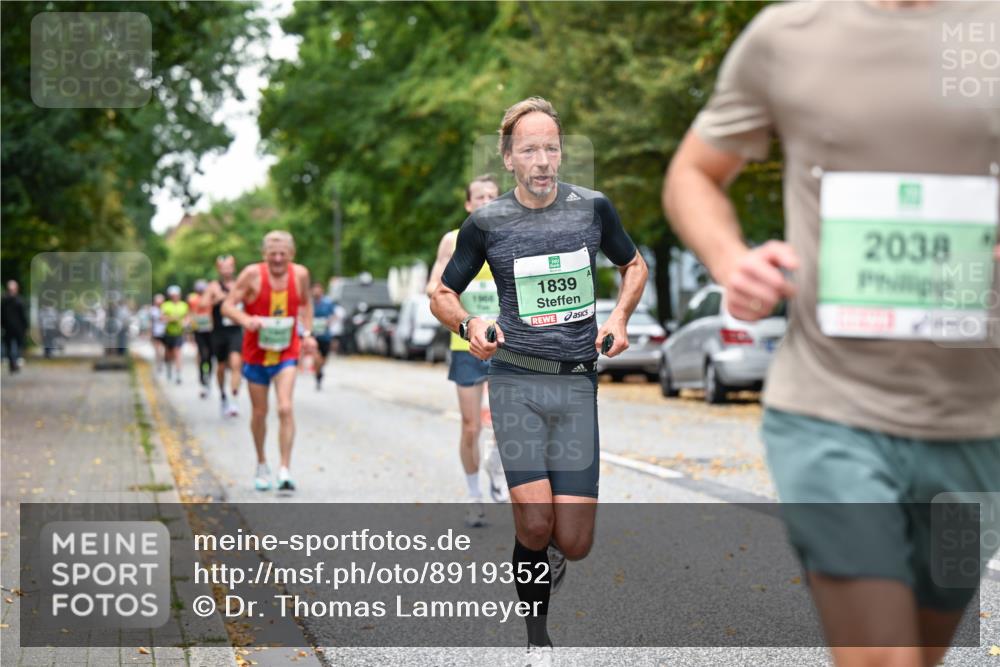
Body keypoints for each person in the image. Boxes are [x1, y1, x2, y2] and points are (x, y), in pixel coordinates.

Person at [663, 2, 1000, 665]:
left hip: (976, 425)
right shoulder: (789, 36)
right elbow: (692, 174)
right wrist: (733, 261)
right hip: (827, 410)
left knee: (924, 647)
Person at [431, 97, 647, 665]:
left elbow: (634, 264)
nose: (543, 160)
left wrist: (619, 318)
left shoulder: (592, 208)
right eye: (529, 150)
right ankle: (538, 640)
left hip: (576, 385)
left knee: (573, 540)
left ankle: (548, 552)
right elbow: (442, 294)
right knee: (533, 520)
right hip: (515, 382)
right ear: (508, 158)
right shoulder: (487, 223)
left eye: (551, 148)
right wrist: (470, 324)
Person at [426, 174, 509, 527]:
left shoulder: (511, 235)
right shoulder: (454, 239)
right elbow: (434, 286)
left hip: (505, 342)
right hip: (465, 344)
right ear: (468, 204)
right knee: (471, 426)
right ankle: (474, 495)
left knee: (507, 422)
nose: (486, 202)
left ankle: (497, 470)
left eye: (492, 196)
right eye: (480, 197)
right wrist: (457, 297)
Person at [222, 231, 316, 493]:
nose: (277, 259)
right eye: (272, 254)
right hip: (256, 353)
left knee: (285, 407)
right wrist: (246, 320)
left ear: (291, 254)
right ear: (264, 254)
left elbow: (306, 304)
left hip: (287, 351)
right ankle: (262, 464)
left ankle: (285, 469)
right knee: (260, 412)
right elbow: (227, 306)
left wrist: (307, 334)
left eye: (283, 254)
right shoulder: (252, 275)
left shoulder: (300, 275)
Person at [205, 255, 244, 417]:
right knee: (220, 367)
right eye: (223, 267)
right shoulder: (213, 286)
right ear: (219, 269)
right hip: (218, 331)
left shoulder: (240, 284)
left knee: (236, 363)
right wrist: (216, 299)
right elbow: (202, 304)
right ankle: (223, 396)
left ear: (234, 268)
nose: (227, 270)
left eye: (229, 267)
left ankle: (234, 400)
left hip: (235, 330)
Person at [188, 280, 214, 398]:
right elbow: (191, 314)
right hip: (199, 330)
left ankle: (208, 375)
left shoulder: (211, 299)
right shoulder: (193, 299)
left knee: (210, 355)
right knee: (203, 353)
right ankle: (202, 375)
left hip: (210, 330)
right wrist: (191, 328)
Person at [160, 285, 189, 384]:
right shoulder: (166, 305)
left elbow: (187, 317)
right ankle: (169, 367)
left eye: (177, 295)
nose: (175, 297)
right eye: (173, 295)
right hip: (168, 332)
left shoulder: (184, 305)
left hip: (179, 333)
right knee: (169, 353)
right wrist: (172, 319)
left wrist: (185, 322)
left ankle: (178, 374)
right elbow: (162, 318)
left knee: (178, 352)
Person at [309, 282, 335, 390]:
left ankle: (319, 371)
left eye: (318, 290)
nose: (316, 292)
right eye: (314, 290)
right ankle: (318, 375)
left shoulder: (328, 303)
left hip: (325, 335)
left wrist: (329, 322)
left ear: (322, 291)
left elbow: (333, 315)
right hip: (314, 336)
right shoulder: (309, 303)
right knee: (316, 358)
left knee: (323, 360)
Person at [1, 280, 28, 373]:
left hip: (12, 328)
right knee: (13, 346)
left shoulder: (5, 300)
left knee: (12, 347)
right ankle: (14, 363)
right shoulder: (18, 300)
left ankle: (13, 363)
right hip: (14, 328)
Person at [150, 293, 167, 373]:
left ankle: (162, 362)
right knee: (157, 349)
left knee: (163, 349)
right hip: (156, 332)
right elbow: (160, 318)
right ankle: (159, 364)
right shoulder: (153, 310)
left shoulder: (165, 308)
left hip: (165, 331)